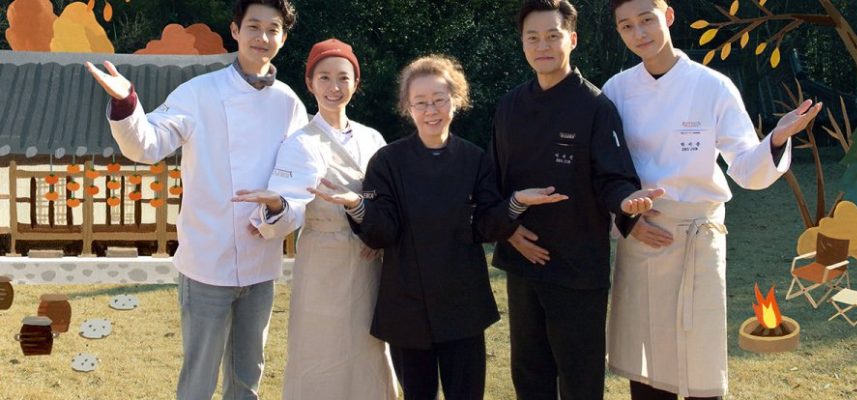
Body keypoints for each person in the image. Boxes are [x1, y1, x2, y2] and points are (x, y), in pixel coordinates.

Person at [310, 55, 569, 400]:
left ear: (456, 100)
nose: (431, 110)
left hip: (463, 306)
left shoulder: (475, 159)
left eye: (439, 100)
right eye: (420, 102)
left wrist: (516, 202)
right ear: (407, 107)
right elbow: (382, 232)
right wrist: (357, 205)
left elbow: (486, 226)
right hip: (406, 307)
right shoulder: (387, 162)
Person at [84, 1, 308, 398]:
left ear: (283, 38)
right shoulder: (199, 92)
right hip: (207, 260)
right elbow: (147, 145)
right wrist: (126, 104)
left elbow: (299, 182)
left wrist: (279, 212)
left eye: (273, 29)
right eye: (253, 26)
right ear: (235, 31)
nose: (262, 37)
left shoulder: (289, 104)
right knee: (198, 378)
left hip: (261, 264)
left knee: (248, 376)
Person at [603, 1, 823, 399]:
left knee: (701, 359)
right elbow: (603, 170)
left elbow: (745, 166)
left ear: (668, 16)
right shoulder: (615, 90)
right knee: (648, 365)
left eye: (647, 20)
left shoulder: (712, 86)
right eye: (627, 26)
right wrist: (628, 222)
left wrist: (776, 138)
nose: (639, 33)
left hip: (698, 238)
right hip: (642, 236)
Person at [489, 1, 665, 399]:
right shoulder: (510, 105)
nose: (543, 46)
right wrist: (508, 230)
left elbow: (614, 179)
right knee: (529, 374)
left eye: (553, 36)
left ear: (572, 39)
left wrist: (628, 204)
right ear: (522, 43)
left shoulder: (595, 106)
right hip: (522, 261)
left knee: (579, 379)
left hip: (577, 267)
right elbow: (493, 181)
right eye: (533, 37)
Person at [231, 38, 399, 400]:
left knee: (368, 350)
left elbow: (391, 200)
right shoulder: (300, 143)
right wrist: (275, 206)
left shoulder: (373, 139)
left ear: (356, 82)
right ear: (310, 83)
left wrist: (379, 235)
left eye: (343, 77)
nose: (334, 87)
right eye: (324, 77)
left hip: (369, 263)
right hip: (323, 259)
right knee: (320, 350)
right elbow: (291, 206)